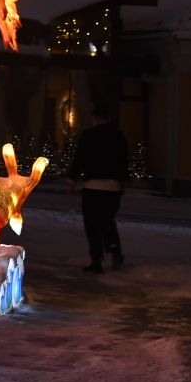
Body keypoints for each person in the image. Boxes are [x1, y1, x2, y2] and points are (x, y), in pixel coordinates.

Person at [71, 106, 129, 273]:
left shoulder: (88, 136)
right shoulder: (118, 137)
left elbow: (79, 158)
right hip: (113, 186)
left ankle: (96, 260)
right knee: (108, 221)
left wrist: (72, 179)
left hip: (92, 185)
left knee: (92, 224)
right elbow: (124, 161)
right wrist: (122, 182)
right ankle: (115, 251)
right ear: (109, 118)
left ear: (94, 118)